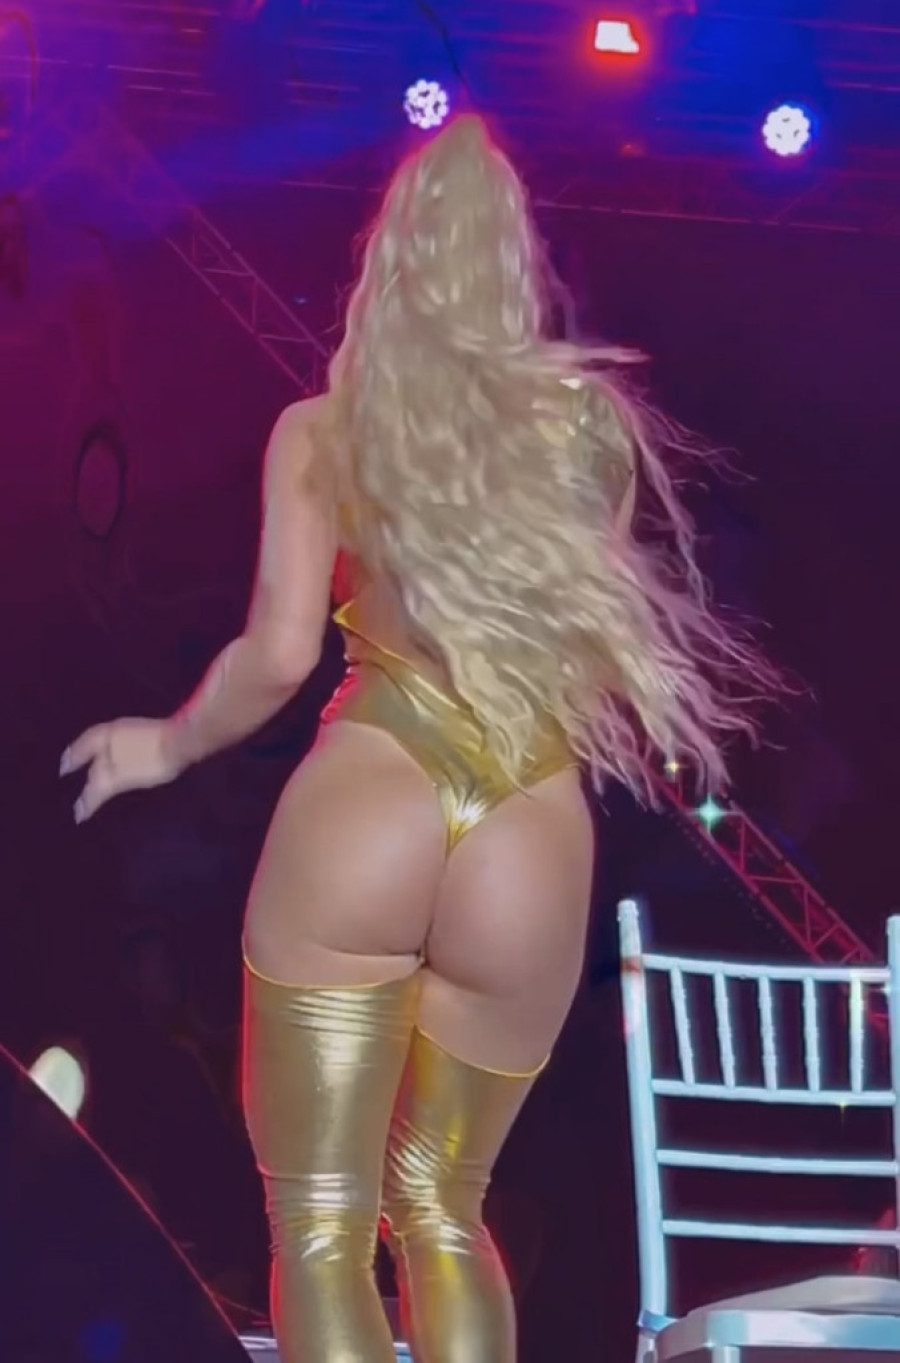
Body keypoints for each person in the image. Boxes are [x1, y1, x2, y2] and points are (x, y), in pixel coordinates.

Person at [61, 115, 766, 1363]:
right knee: (445, 1208)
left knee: (320, 1230)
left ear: (387, 259)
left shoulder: (327, 429)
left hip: (372, 796)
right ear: (515, 265)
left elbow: (279, 655)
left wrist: (164, 747)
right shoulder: (588, 428)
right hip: (529, 826)